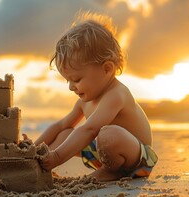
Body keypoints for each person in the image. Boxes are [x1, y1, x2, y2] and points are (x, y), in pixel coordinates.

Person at [34, 13, 158, 181]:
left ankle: (112, 171)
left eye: (76, 79)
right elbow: (60, 125)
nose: (71, 87)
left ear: (107, 69)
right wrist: (34, 149)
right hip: (103, 154)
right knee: (64, 133)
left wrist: (57, 157)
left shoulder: (117, 94)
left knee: (109, 134)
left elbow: (90, 129)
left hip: (137, 161)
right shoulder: (84, 102)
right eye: (68, 80)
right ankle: (36, 165)